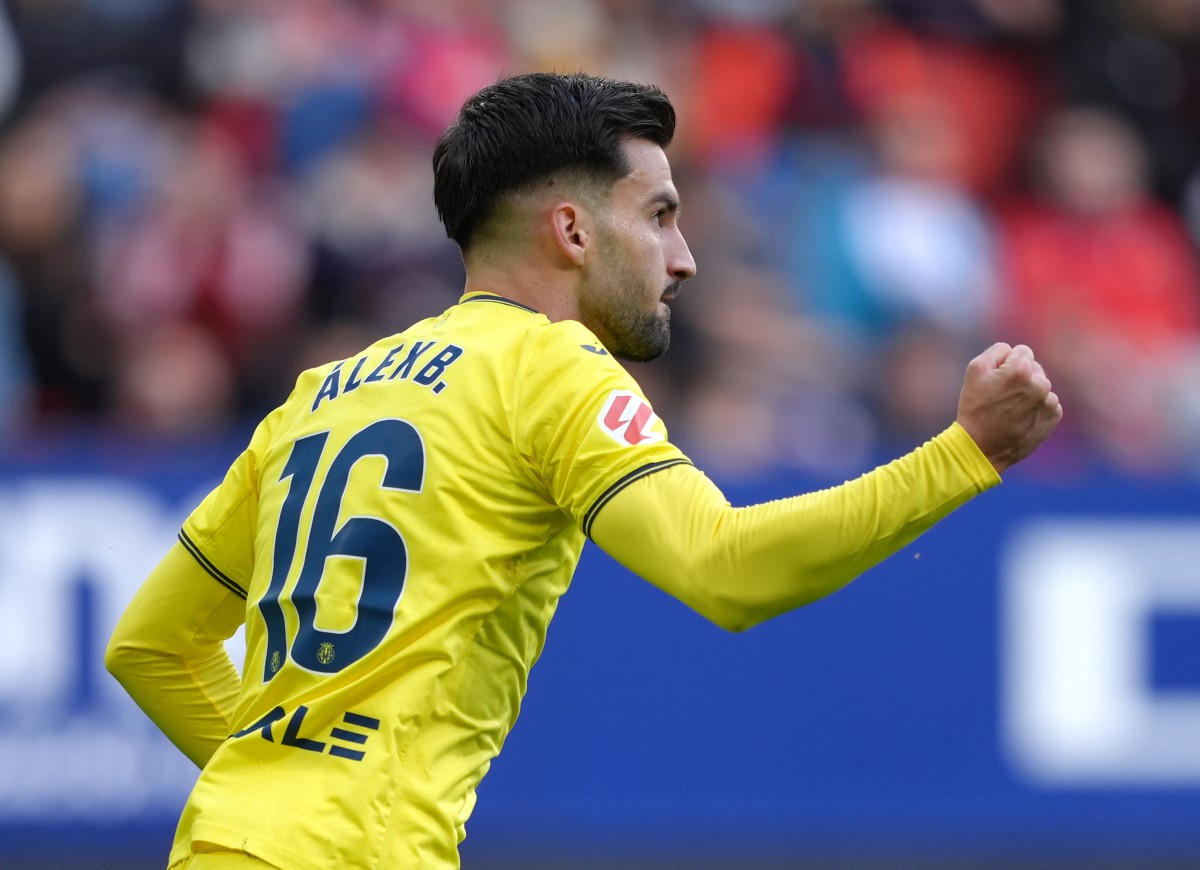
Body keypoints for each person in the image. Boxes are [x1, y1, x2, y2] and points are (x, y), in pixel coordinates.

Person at [106, 71, 1062, 870]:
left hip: (225, 843)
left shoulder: (325, 391)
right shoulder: (547, 364)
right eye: (659, 216)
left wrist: (275, 790)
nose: (683, 259)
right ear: (571, 231)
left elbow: (150, 646)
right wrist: (963, 455)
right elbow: (725, 569)